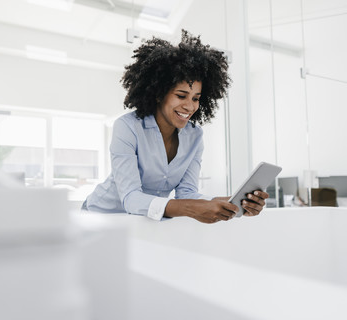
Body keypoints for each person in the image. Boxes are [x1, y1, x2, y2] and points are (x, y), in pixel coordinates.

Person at [82, 30, 268, 223]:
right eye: (181, 95)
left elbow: (187, 194)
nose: (189, 106)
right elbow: (131, 198)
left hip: (144, 222)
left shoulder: (194, 136)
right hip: (100, 218)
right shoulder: (128, 127)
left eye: (196, 98)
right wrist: (191, 209)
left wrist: (231, 203)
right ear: (158, 93)